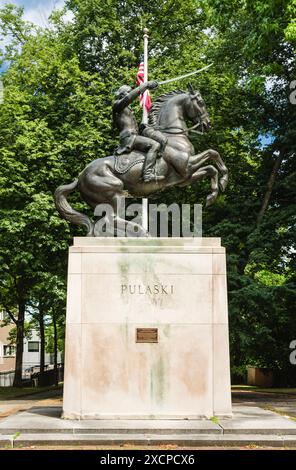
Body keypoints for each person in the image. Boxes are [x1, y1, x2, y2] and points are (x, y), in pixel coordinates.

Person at [113, 80, 167, 183]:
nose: (130, 93)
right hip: (129, 138)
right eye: (128, 92)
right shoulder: (117, 105)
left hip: (133, 136)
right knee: (155, 145)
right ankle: (147, 175)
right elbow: (129, 98)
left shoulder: (126, 109)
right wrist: (144, 86)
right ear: (123, 94)